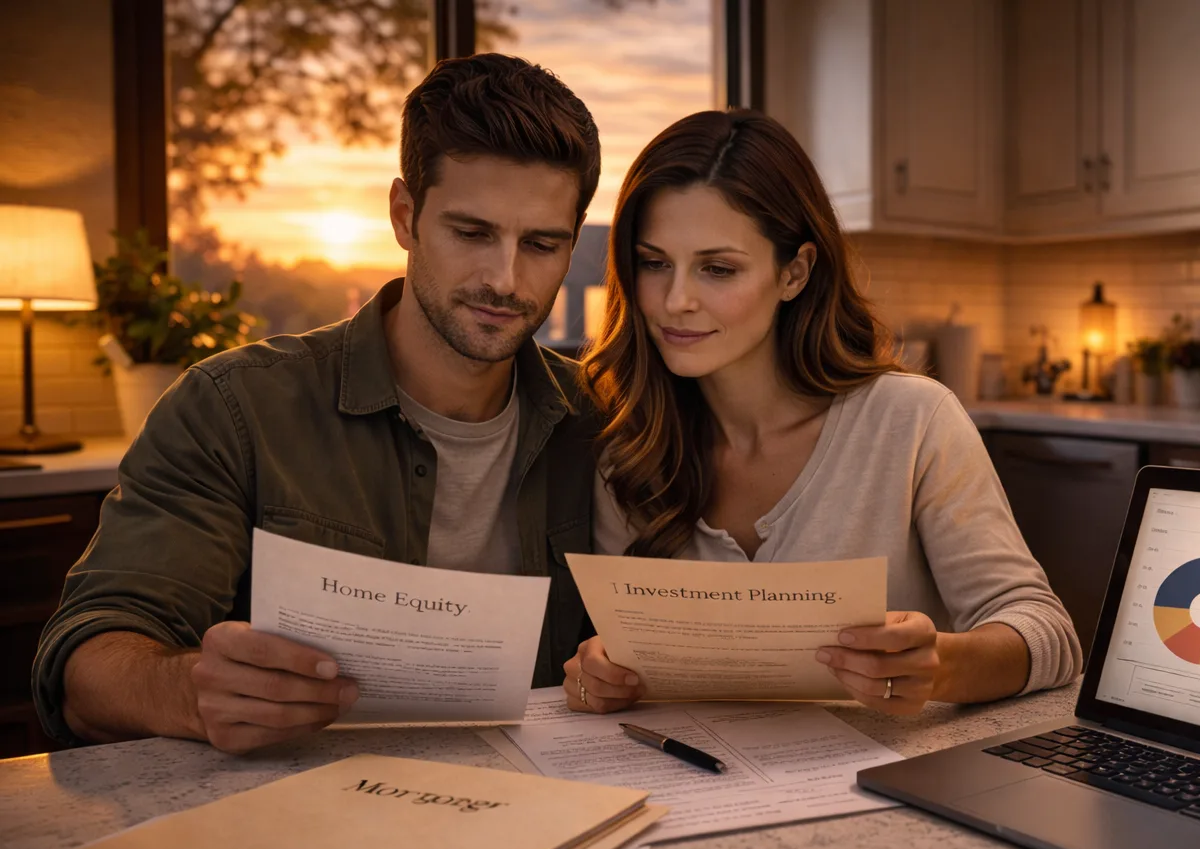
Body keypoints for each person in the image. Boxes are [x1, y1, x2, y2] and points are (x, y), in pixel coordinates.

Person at [34, 54, 602, 753]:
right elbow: (84, 666)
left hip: (545, 813)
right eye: (472, 233)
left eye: (542, 245)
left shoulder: (605, 423)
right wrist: (186, 689)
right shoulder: (234, 409)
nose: (505, 279)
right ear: (405, 215)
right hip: (294, 815)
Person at [564, 109, 1082, 718]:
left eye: (718, 268)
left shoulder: (911, 421)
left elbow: (1049, 634)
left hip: (893, 786)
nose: (676, 300)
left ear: (795, 272)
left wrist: (938, 666)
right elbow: (617, 664)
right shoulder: (628, 447)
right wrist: (596, 676)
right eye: (654, 263)